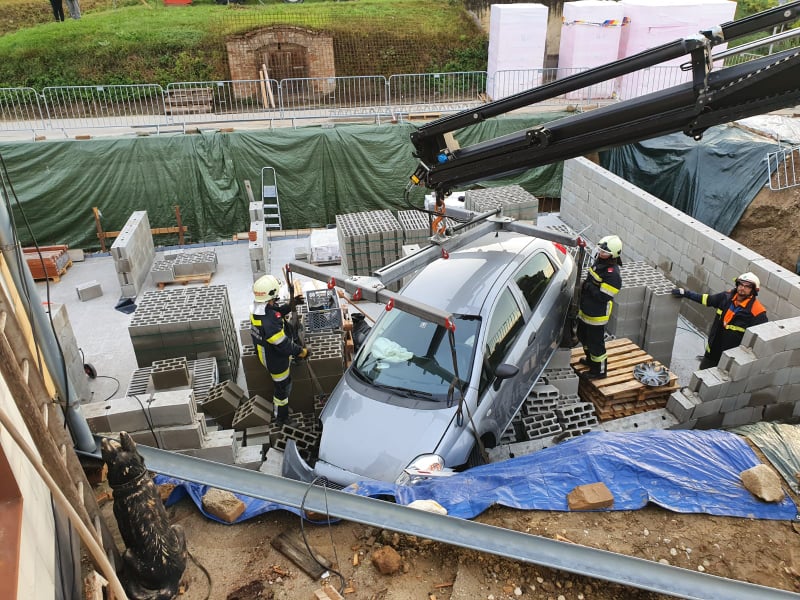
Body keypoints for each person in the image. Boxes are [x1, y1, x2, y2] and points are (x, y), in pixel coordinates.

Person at [672, 272, 767, 369]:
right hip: (713, 350)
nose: (742, 288)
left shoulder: (757, 312)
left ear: (754, 290)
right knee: (702, 376)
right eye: (741, 284)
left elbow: (760, 340)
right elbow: (706, 299)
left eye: (747, 286)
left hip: (731, 358)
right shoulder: (726, 297)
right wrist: (685, 293)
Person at [249, 274, 307, 423]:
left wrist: (290, 305)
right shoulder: (269, 321)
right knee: (283, 388)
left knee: (283, 386)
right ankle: (281, 418)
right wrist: (300, 351)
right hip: (274, 360)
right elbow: (283, 345)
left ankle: (281, 414)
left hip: (265, 350)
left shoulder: (258, 307)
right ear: (270, 294)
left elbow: (275, 313)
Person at [577, 235, 623, 379]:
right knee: (583, 336)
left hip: (597, 315)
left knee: (596, 344)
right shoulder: (600, 261)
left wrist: (588, 286)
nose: (601, 253)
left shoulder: (612, 274)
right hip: (586, 310)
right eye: (601, 250)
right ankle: (591, 361)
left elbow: (604, 297)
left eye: (605, 252)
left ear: (613, 254)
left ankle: (600, 371)